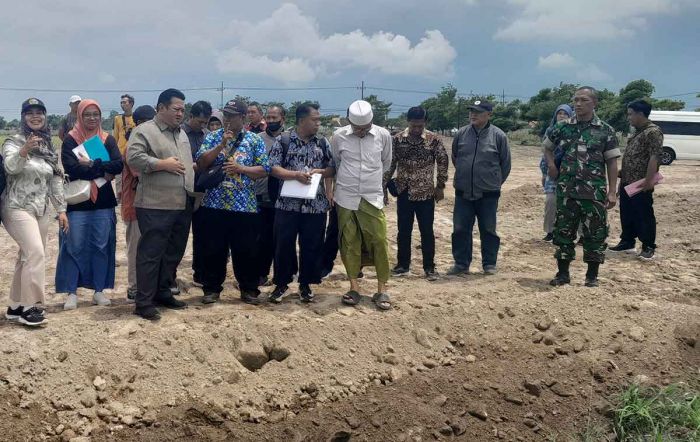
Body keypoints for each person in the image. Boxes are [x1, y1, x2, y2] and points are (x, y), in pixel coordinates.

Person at [127, 88, 194, 320]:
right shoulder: (144, 131)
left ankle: (163, 292)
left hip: (182, 201)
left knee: (173, 252)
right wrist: (161, 164)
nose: (180, 113)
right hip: (155, 203)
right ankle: (144, 302)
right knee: (151, 253)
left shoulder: (181, 133)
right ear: (161, 108)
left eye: (183, 110)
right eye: (176, 109)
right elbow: (133, 158)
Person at [195, 99, 270, 305]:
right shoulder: (213, 137)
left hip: (244, 205)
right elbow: (201, 163)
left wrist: (241, 169)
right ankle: (211, 289)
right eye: (225, 115)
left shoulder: (254, 140)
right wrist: (221, 145)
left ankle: (248, 288)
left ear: (243, 118)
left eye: (232, 116)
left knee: (246, 250)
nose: (227, 120)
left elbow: (264, 169)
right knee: (213, 249)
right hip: (214, 203)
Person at [1, 98, 69, 326]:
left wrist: (61, 209)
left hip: (41, 209)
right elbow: (10, 167)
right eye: (30, 113)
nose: (35, 116)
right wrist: (23, 151)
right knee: (37, 253)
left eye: (39, 112)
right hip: (17, 207)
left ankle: (15, 305)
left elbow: (56, 179)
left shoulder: (48, 146)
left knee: (26, 256)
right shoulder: (13, 141)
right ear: (23, 117)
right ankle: (31, 307)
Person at [544, 86, 620, 287]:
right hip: (567, 191)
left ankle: (592, 277)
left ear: (594, 103)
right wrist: (551, 165)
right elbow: (547, 146)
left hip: (594, 193)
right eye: (575, 100)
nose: (578, 104)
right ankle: (562, 274)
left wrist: (612, 191)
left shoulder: (605, 130)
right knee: (563, 232)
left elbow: (612, 162)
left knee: (595, 234)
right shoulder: (563, 127)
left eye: (583, 100)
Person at [56, 99, 124, 310]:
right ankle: (71, 292)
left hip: (103, 203)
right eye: (87, 114)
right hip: (78, 204)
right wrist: (102, 169)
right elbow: (72, 168)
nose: (92, 118)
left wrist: (92, 164)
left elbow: (119, 165)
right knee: (72, 246)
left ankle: (99, 290)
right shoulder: (70, 139)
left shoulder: (107, 139)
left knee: (102, 246)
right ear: (79, 115)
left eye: (96, 114)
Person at [268, 103, 335, 303]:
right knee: (283, 245)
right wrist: (295, 175)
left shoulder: (322, 142)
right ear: (301, 120)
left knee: (312, 245)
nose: (318, 123)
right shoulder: (284, 140)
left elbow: (332, 168)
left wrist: (321, 172)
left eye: (318, 120)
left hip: (316, 206)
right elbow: (273, 168)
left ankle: (306, 284)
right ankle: (281, 283)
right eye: (315, 120)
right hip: (287, 205)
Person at [331, 100, 393, 310]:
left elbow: (386, 163)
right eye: (357, 128)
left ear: (371, 123)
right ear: (350, 123)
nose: (360, 132)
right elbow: (337, 163)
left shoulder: (383, 135)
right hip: (346, 197)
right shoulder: (338, 136)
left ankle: (382, 289)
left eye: (364, 128)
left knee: (379, 240)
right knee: (349, 241)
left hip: (371, 197)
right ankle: (354, 287)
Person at [384, 106, 448, 281]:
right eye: (414, 126)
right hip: (404, 192)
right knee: (403, 231)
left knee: (426, 231)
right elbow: (390, 164)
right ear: (408, 122)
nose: (417, 129)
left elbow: (443, 161)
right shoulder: (397, 140)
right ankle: (402, 265)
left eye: (420, 126)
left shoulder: (433, 140)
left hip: (426, 193)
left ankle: (429, 267)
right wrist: (383, 186)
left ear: (425, 123)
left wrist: (440, 186)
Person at [448, 100, 511, 276]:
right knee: (460, 229)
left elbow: (505, 165)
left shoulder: (499, 136)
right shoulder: (461, 134)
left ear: (489, 114)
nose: (473, 115)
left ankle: (489, 264)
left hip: (488, 194)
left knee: (488, 229)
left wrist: (493, 183)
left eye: (478, 112)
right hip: (463, 192)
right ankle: (461, 264)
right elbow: (455, 158)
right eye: (471, 111)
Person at [610, 99, 663, 260]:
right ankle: (627, 241)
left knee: (643, 214)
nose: (629, 118)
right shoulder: (638, 131)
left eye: (631, 114)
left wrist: (648, 181)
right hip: (627, 180)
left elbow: (654, 157)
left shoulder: (653, 132)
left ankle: (648, 246)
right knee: (627, 213)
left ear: (640, 114)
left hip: (641, 183)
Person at [120, 105, 156, 301]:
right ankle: (134, 287)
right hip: (135, 205)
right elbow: (141, 171)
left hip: (152, 204)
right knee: (136, 248)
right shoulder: (132, 146)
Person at [255, 105, 287, 286]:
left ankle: (281, 275)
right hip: (260, 195)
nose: (271, 121)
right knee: (262, 238)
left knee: (281, 238)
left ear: (283, 119)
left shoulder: (288, 140)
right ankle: (261, 273)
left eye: (275, 117)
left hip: (282, 197)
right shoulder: (258, 139)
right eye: (269, 117)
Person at [182, 100, 212, 288]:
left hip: (203, 190)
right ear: (190, 116)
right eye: (199, 121)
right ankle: (169, 276)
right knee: (179, 235)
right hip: (183, 190)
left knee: (203, 235)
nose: (202, 126)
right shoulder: (179, 134)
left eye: (205, 122)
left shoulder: (208, 136)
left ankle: (200, 273)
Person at [540, 104, 573, 241]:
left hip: (571, 172)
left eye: (565, 114)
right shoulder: (550, 131)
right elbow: (545, 152)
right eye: (559, 113)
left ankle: (578, 234)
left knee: (573, 204)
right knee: (551, 202)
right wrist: (544, 171)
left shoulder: (574, 130)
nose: (562, 116)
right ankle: (550, 231)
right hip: (552, 172)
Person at [113, 94, 135, 202]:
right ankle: (119, 196)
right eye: (121, 102)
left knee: (131, 175)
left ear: (131, 104)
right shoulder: (117, 119)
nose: (122, 105)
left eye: (124, 102)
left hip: (132, 151)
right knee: (118, 176)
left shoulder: (136, 118)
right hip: (120, 151)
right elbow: (116, 135)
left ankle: (130, 194)